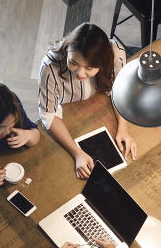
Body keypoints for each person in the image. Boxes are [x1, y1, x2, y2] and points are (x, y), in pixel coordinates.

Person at [38, 23, 137, 179]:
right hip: (68, 113)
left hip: (101, 106)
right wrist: (77, 153)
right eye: (73, 63)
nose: (80, 73)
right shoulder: (50, 66)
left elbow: (120, 92)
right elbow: (48, 114)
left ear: (103, 63)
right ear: (67, 49)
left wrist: (123, 128)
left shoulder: (116, 52)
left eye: (89, 68)